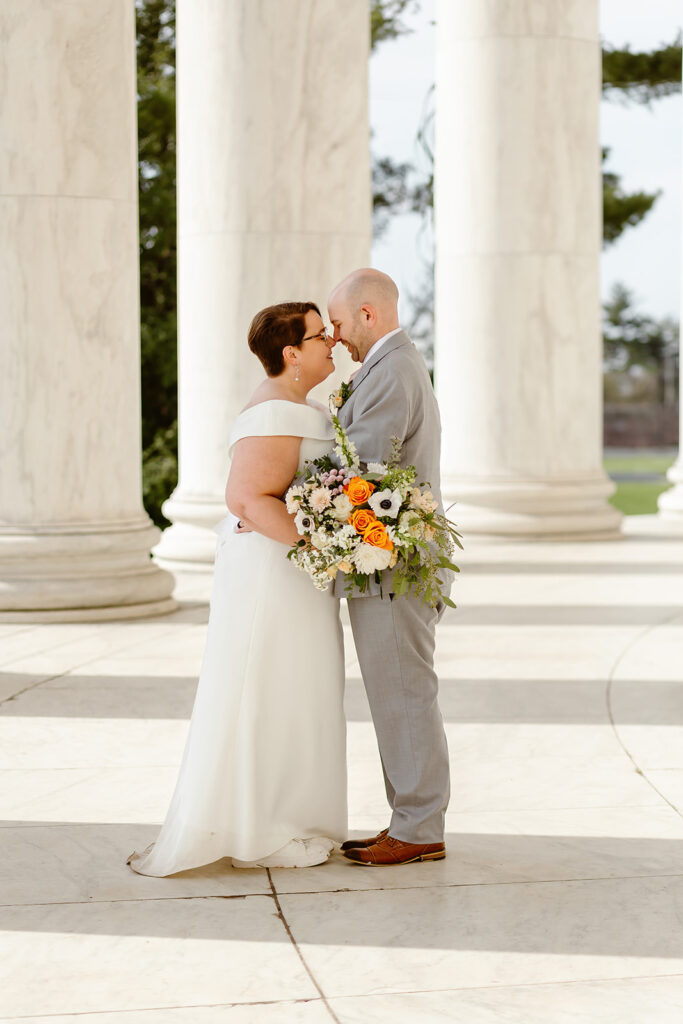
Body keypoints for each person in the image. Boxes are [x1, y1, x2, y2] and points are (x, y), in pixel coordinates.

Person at [127, 302, 347, 874]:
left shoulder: (297, 407)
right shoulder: (275, 410)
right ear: (290, 352)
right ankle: (261, 829)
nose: (331, 343)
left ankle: (285, 814)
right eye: (319, 335)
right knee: (268, 687)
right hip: (275, 573)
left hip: (291, 568)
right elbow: (247, 499)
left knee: (294, 688)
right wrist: (322, 546)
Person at [328, 268, 452, 866]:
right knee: (395, 694)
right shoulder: (390, 367)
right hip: (388, 562)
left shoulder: (393, 369)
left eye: (340, 321)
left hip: (394, 565)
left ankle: (420, 827)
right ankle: (408, 818)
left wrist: (299, 500)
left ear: (369, 314)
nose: (335, 335)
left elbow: (366, 471)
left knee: (404, 694)